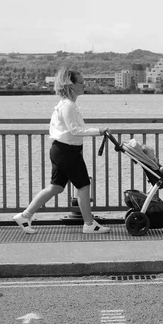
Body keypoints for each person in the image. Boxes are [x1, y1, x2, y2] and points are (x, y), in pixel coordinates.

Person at [13, 68, 111, 235]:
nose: (84, 85)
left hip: (62, 150)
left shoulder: (67, 104)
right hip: (67, 152)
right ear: (70, 85)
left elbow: (72, 130)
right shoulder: (68, 105)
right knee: (83, 185)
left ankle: (24, 216)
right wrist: (98, 131)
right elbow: (75, 130)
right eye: (81, 82)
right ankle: (89, 224)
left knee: (56, 187)